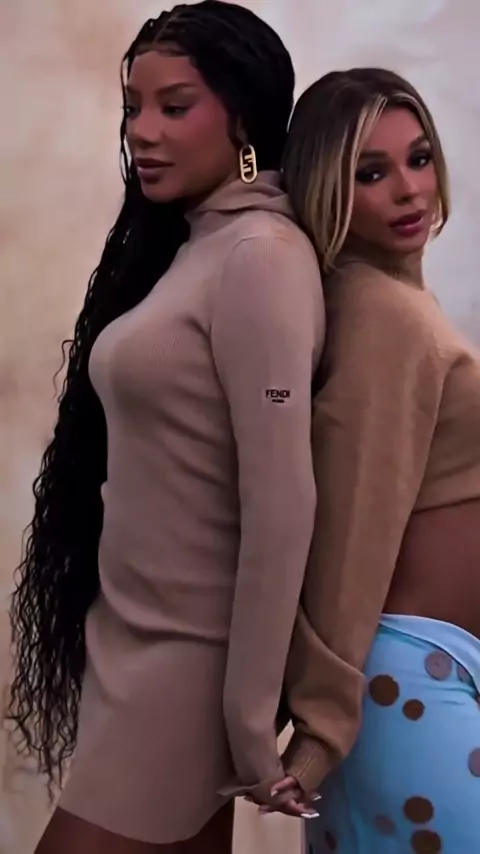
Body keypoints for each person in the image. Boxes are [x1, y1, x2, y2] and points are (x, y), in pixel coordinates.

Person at [6, 3, 325, 852]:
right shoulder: (199, 246)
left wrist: (249, 713)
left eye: (174, 107)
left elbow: (282, 500)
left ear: (244, 117)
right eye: (133, 108)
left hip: (188, 669)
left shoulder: (260, 257)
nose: (142, 132)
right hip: (135, 647)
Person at [257, 68, 480, 852]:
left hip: (421, 680)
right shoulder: (385, 315)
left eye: (418, 159)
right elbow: (352, 529)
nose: (409, 190)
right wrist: (322, 730)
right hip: (403, 685)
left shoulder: (393, 301)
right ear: (327, 187)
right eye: (371, 173)